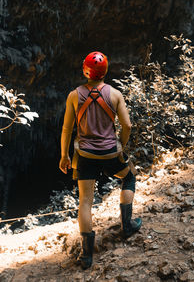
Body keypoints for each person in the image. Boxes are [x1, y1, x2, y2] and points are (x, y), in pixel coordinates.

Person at [59, 51, 142, 270]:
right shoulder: (114, 94)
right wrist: (120, 146)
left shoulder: (74, 95)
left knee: (85, 201)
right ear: (105, 71)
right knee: (129, 178)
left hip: (85, 155)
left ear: (85, 70)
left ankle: (86, 255)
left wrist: (64, 155)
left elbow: (67, 128)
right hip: (110, 153)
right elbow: (128, 125)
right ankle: (127, 225)